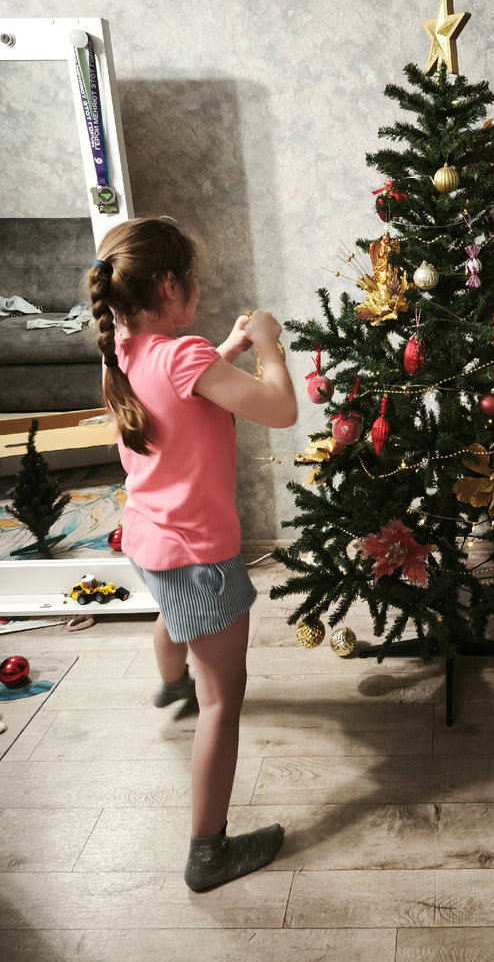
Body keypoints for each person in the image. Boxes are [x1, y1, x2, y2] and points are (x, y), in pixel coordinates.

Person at [87, 217, 297, 892]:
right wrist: (268, 345)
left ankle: (171, 682)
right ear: (171, 287)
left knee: (172, 611)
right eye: (194, 280)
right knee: (223, 701)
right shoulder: (184, 358)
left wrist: (227, 346)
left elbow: (185, 384)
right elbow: (280, 409)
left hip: (148, 538)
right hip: (199, 554)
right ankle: (208, 852)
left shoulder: (121, 347)